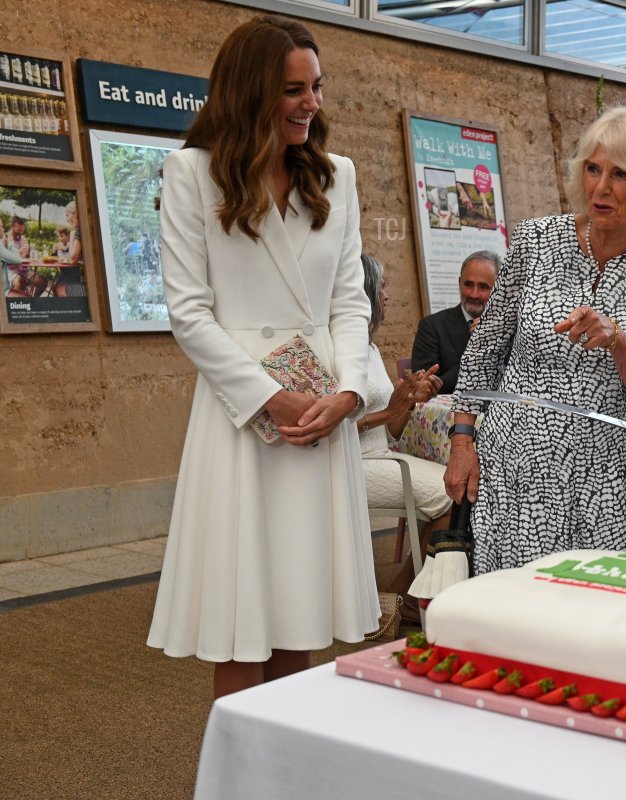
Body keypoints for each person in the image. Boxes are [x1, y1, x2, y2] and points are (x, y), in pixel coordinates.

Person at [147, 15, 377, 699]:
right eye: (292, 90)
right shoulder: (193, 173)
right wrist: (271, 398)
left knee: (302, 608)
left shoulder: (337, 177)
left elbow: (352, 301)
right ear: (250, 92)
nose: (312, 103)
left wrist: (350, 394)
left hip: (322, 412)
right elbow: (189, 313)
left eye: (316, 87)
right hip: (244, 416)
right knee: (243, 618)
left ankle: (286, 767)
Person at [444, 106, 626, 575]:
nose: (600, 188)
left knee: (599, 616)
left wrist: (617, 339)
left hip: (611, 476)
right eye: (593, 169)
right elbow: (485, 350)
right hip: (520, 469)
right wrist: (463, 441)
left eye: (620, 174)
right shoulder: (537, 240)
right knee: (519, 612)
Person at [357, 254, 452, 614]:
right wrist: (390, 411)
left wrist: (410, 401)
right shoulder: (340, 348)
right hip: (353, 463)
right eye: (381, 287)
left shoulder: (369, 346)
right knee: (449, 493)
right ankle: (405, 596)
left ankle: (406, 592)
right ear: (362, 292)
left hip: (381, 454)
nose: (387, 296)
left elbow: (392, 430)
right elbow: (329, 428)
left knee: (454, 484)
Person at [410, 250, 498, 394]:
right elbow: (426, 388)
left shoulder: (511, 329)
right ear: (459, 283)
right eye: (468, 285)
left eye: (483, 287)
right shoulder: (432, 326)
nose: (474, 294)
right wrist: (478, 350)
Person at [53, 201, 86, 298]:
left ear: (77, 213)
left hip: (85, 285)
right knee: (57, 286)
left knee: (58, 289)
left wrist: (72, 234)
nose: (67, 220)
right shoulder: (85, 229)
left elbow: (72, 259)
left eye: (68, 215)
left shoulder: (79, 232)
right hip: (85, 280)